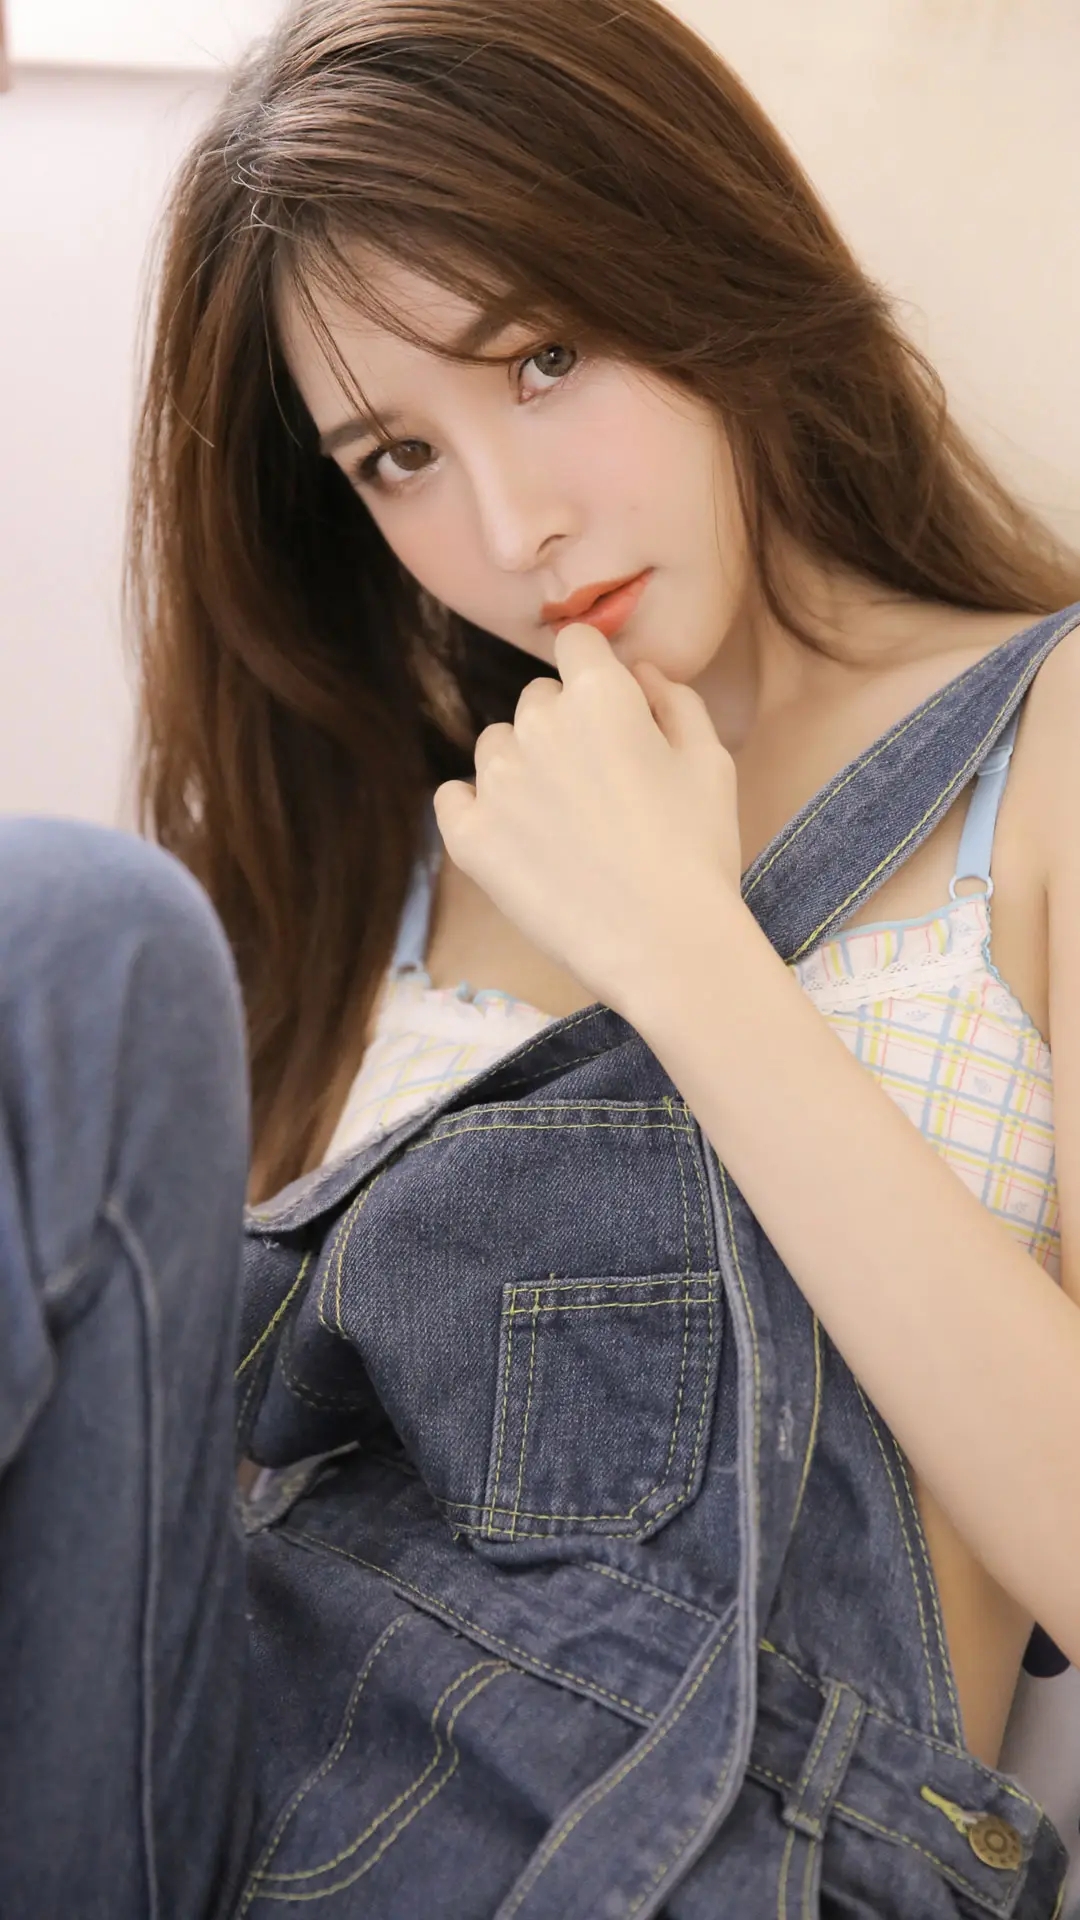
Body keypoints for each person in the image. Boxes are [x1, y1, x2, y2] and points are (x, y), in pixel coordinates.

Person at [2, 0, 1079, 1911]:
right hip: (195, 1796)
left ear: (702, 242)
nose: (516, 528)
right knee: (76, 944)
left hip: (667, 1846)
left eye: (544, 357)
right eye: (396, 455)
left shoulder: (1048, 743)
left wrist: (687, 955)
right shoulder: (389, 842)